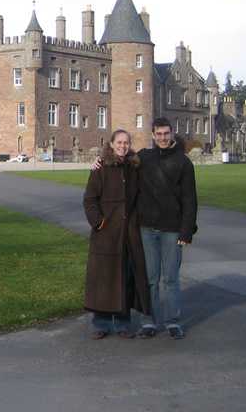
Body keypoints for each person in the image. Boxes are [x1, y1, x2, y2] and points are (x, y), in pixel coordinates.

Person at [82, 129, 151, 339]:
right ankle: (101, 323)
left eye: (126, 142)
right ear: (111, 144)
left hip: (128, 232)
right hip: (106, 233)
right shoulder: (101, 167)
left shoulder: (134, 166)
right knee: (103, 278)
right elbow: (89, 200)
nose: (123, 146)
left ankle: (122, 323)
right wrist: (99, 222)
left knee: (125, 278)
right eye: (119, 142)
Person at [135, 117, 198, 340]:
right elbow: (119, 162)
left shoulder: (183, 162)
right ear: (153, 135)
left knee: (170, 278)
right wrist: (100, 161)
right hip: (147, 228)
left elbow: (190, 199)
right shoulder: (144, 157)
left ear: (171, 134)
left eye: (166, 133)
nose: (162, 138)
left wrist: (186, 231)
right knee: (151, 278)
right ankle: (149, 322)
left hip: (172, 229)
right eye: (158, 134)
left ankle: (172, 321)